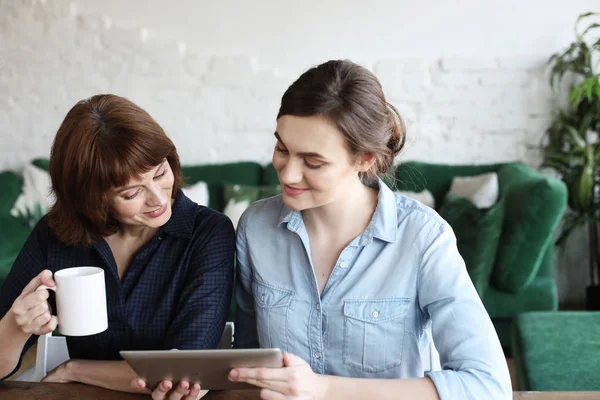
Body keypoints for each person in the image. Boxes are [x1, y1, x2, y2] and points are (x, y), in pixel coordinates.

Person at [230, 60, 512, 399]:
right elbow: (248, 365)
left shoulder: (423, 238)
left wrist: (324, 390)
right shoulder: (255, 228)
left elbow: (487, 385)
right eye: (282, 149)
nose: (288, 174)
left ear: (364, 159)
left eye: (313, 162)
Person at [0, 94, 234, 399]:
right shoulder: (55, 235)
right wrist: (16, 327)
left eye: (160, 173)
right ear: (92, 198)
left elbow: (185, 371)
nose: (159, 199)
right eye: (131, 193)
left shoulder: (207, 233)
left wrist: (75, 370)